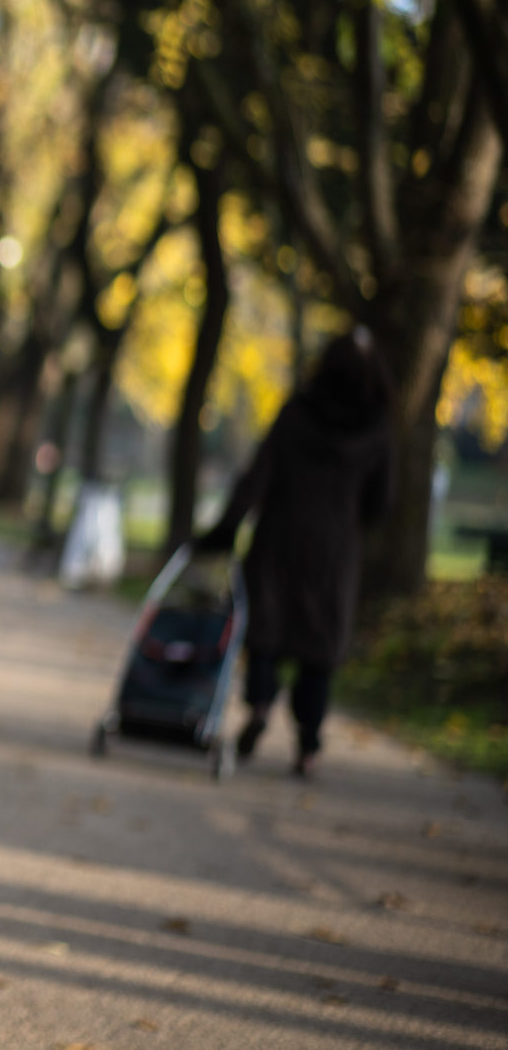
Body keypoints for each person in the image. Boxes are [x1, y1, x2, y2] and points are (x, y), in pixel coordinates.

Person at [195, 327, 394, 777]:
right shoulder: (378, 430)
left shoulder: (297, 414)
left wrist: (225, 529)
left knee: (265, 634)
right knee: (318, 651)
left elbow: (256, 477)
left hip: (278, 540)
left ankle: (261, 706)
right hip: (335, 550)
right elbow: (381, 503)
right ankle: (308, 747)